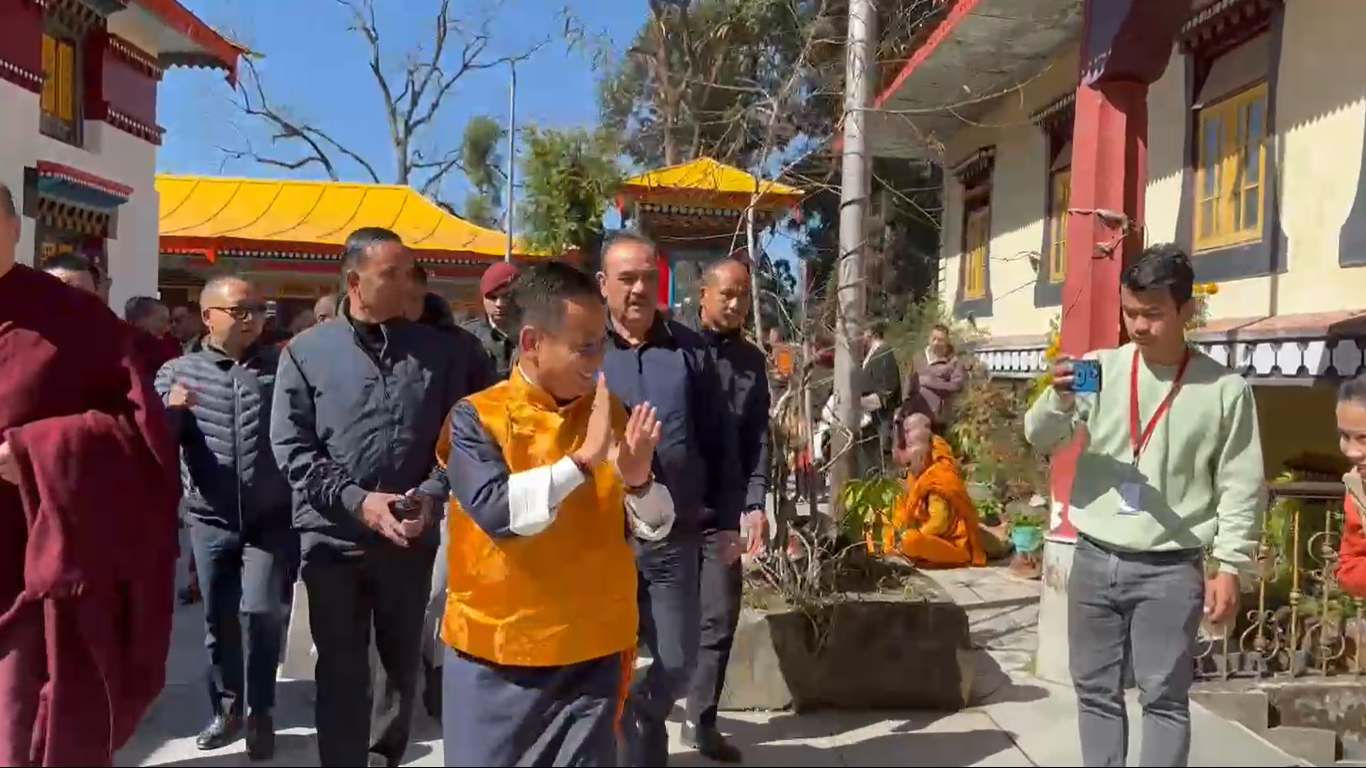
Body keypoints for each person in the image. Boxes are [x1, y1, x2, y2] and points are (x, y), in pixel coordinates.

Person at [1024, 243, 1265, 768]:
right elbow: (1040, 435)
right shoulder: (1099, 369)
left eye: (1152, 314)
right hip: (1092, 558)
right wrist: (1058, 398)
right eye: (1129, 312)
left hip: (1170, 569)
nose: (1137, 325)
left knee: (1163, 699)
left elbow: (1241, 484)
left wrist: (1230, 566)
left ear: (1185, 311)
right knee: (1095, 693)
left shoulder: (1225, 390)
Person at [438, 260, 676, 765]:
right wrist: (583, 461)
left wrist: (639, 482)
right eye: (584, 346)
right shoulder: (476, 417)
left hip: (592, 652)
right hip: (497, 657)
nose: (598, 360)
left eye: (601, 343)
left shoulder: (612, 413)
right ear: (531, 343)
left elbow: (656, 527)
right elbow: (500, 514)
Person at [271, 227, 488, 767]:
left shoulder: (440, 352)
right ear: (355, 281)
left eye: (411, 272)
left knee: (398, 665)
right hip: (332, 540)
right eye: (393, 274)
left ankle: (385, 755)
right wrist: (355, 499)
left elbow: (462, 436)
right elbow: (291, 446)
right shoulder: (306, 353)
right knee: (341, 669)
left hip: (410, 541)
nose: (408, 283)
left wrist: (432, 497)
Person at [0, 182, 181, 765]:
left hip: (33, 566)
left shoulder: (72, 319)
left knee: (19, 738)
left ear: (12, 229)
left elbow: (140, 434)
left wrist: (34, 454)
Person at [598, 231, 742, 767]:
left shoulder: (691, 352)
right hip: (600, 539)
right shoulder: (585, 352)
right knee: (601, 662)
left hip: (673, 536)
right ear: (603, 284)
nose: (638, 289)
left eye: (646, 278)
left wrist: (728, 518)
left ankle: (642, 709)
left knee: (678, 660)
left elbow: (721, 442)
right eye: (626, 278)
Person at [155, 276, 291, 760]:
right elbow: (154, 442)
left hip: (271, 519)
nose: (253, 317)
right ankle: (228, 708)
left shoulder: (282, 367)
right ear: (208, 314)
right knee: (219, 622)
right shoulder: (177, 372)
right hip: (209, 519)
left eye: (259, 307)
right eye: (241, 309)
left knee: (260, 612)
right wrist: (171, 412)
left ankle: (262, 712)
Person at [682, 258, 770, 763]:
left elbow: (759, 437)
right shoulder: (676, 348)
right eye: (726, 294)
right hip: (666, 511)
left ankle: (703, 719)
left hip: (724, 512)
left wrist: (755, 503)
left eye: (742, 295)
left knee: (719, 618)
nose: (735, 304)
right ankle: (631, 712)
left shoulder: (752, 362)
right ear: (704, 294)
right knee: (653, 624)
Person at [885, 411, 986, 568]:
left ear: (921, 456)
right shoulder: (915, 476)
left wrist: (912, 534)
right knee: (882, 520)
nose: (907, 467)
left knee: (910, 541)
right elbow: (902, 509)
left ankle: (904, 548)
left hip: (951, 544)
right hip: (923, 533)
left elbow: (939, 523)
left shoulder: (937, 478)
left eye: (910, 444)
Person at [1334, 376, 1366, 598]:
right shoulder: (1358, 488)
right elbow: (1349, 568)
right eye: (1345, 436)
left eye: (1364, 438)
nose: (1352, 451)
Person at [461, 260, 520, 381]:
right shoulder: (466, 337)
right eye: (492, 297)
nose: (500, 304)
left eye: (507, 296)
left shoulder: (536, 336)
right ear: (483, 298)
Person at [858, 320, 902, 478]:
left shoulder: (884, 353)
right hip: (870, 418)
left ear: (870, 333)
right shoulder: (871, 354)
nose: (861, 338)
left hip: (880, 416)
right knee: (871, 460)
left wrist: (863, 402)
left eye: (862, 334)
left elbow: (888, 388)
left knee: (882, 458)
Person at [910, 323, 965, 427]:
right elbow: (909, 383)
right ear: (929, 338)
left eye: (940, 340)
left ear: (947, 341)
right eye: (934, 338)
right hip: (915, 415)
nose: (936, 343)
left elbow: (956, 386)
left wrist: (929, 383)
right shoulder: (918, 357)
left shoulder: (953, 361)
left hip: (938, 418)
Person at [126, 295, 183, 379]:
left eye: (168, 321)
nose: (168, 327)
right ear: (141, 321)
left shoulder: (170, 343)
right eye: (162, 319)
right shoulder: (127, 348)